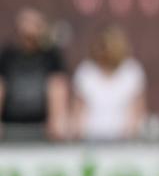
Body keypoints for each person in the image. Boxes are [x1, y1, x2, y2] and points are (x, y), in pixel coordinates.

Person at [0, 8, 68, 141]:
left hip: (42, 126)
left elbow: (57, 86)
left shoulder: (51, 55)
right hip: (11, 125)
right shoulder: (8, 55)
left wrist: (56, 119)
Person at [71, 26, 146, 141]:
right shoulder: (85, 71)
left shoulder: (132, 71)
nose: (104, 51)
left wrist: (131, 138)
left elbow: (138, 112)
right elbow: (78, 112)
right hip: (90, 141)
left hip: (123, 143)